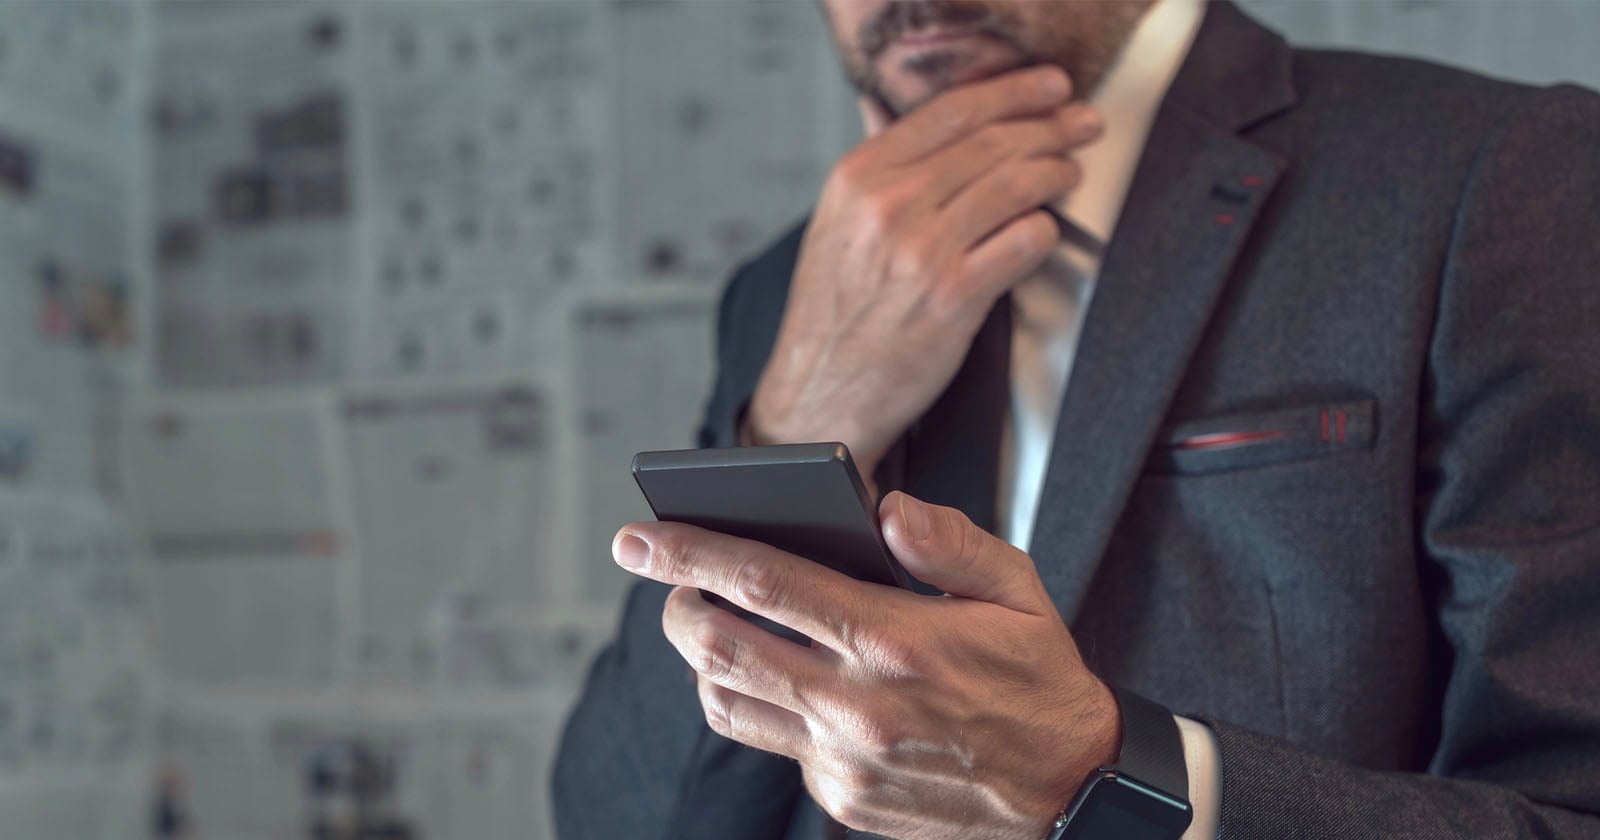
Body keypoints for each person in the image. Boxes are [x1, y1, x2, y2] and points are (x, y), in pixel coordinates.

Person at [554, 0, 1600, 837]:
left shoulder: (1500, 176)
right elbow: (613, 817)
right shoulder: (783, 287)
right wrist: (796, 413)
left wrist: (1107, 784)